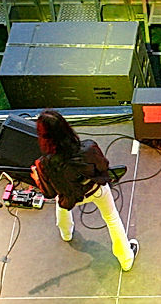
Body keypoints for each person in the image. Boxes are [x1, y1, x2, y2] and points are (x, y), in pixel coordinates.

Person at [31, 109, 138, 272]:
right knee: (112, 218)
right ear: (66, 128)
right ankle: (126, 259)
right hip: (96, 189)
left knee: (62, 208)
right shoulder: (88, 147)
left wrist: (38, 178)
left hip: (69, 197)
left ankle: (66, 234)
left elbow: (50, 194)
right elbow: (104, 166)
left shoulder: (44, 164)